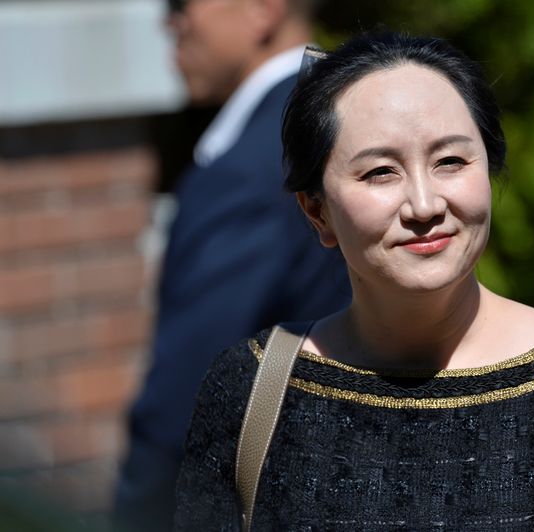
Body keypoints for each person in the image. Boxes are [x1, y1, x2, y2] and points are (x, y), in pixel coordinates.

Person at [173, 32, 534, 530]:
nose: (425, 205)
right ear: (317, 211)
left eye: (451, 161)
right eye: (380, 172)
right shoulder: (251, 390)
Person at [114, 0, 350, 530]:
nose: (170, 22)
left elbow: (185, 404)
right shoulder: (348, 118)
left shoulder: (256, 165)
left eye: (180, 4)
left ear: (262, 8)